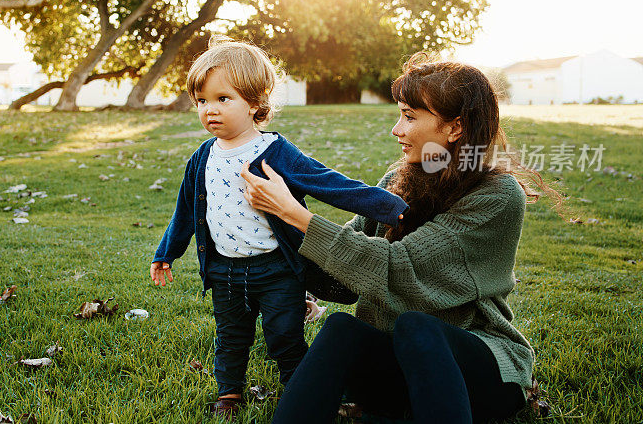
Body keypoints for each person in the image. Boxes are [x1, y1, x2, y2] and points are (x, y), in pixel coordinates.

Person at [242, 53, 556, 424]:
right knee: (341, 328)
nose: (397, 129)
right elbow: (342, 280)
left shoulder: (497, 196)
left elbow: (398, 268)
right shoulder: (398, 182)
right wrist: (269, 237)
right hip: (397, 371)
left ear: (454, 129)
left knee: (417, 326)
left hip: (481, 374)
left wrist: (295, 215)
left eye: (409, 116)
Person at [150, 36, 409, 419]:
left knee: (284, 336)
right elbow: (186, 211)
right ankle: (229, 393)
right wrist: (166, 253)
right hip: (224, 269)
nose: (210, 110)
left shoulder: (275, 152)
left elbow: (329, 183)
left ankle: (303, 387)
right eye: (202, 101)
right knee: (231, 337)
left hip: (277, 269)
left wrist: (391, 207)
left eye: (223, 99)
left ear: (256, 103)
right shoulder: (202, 157)